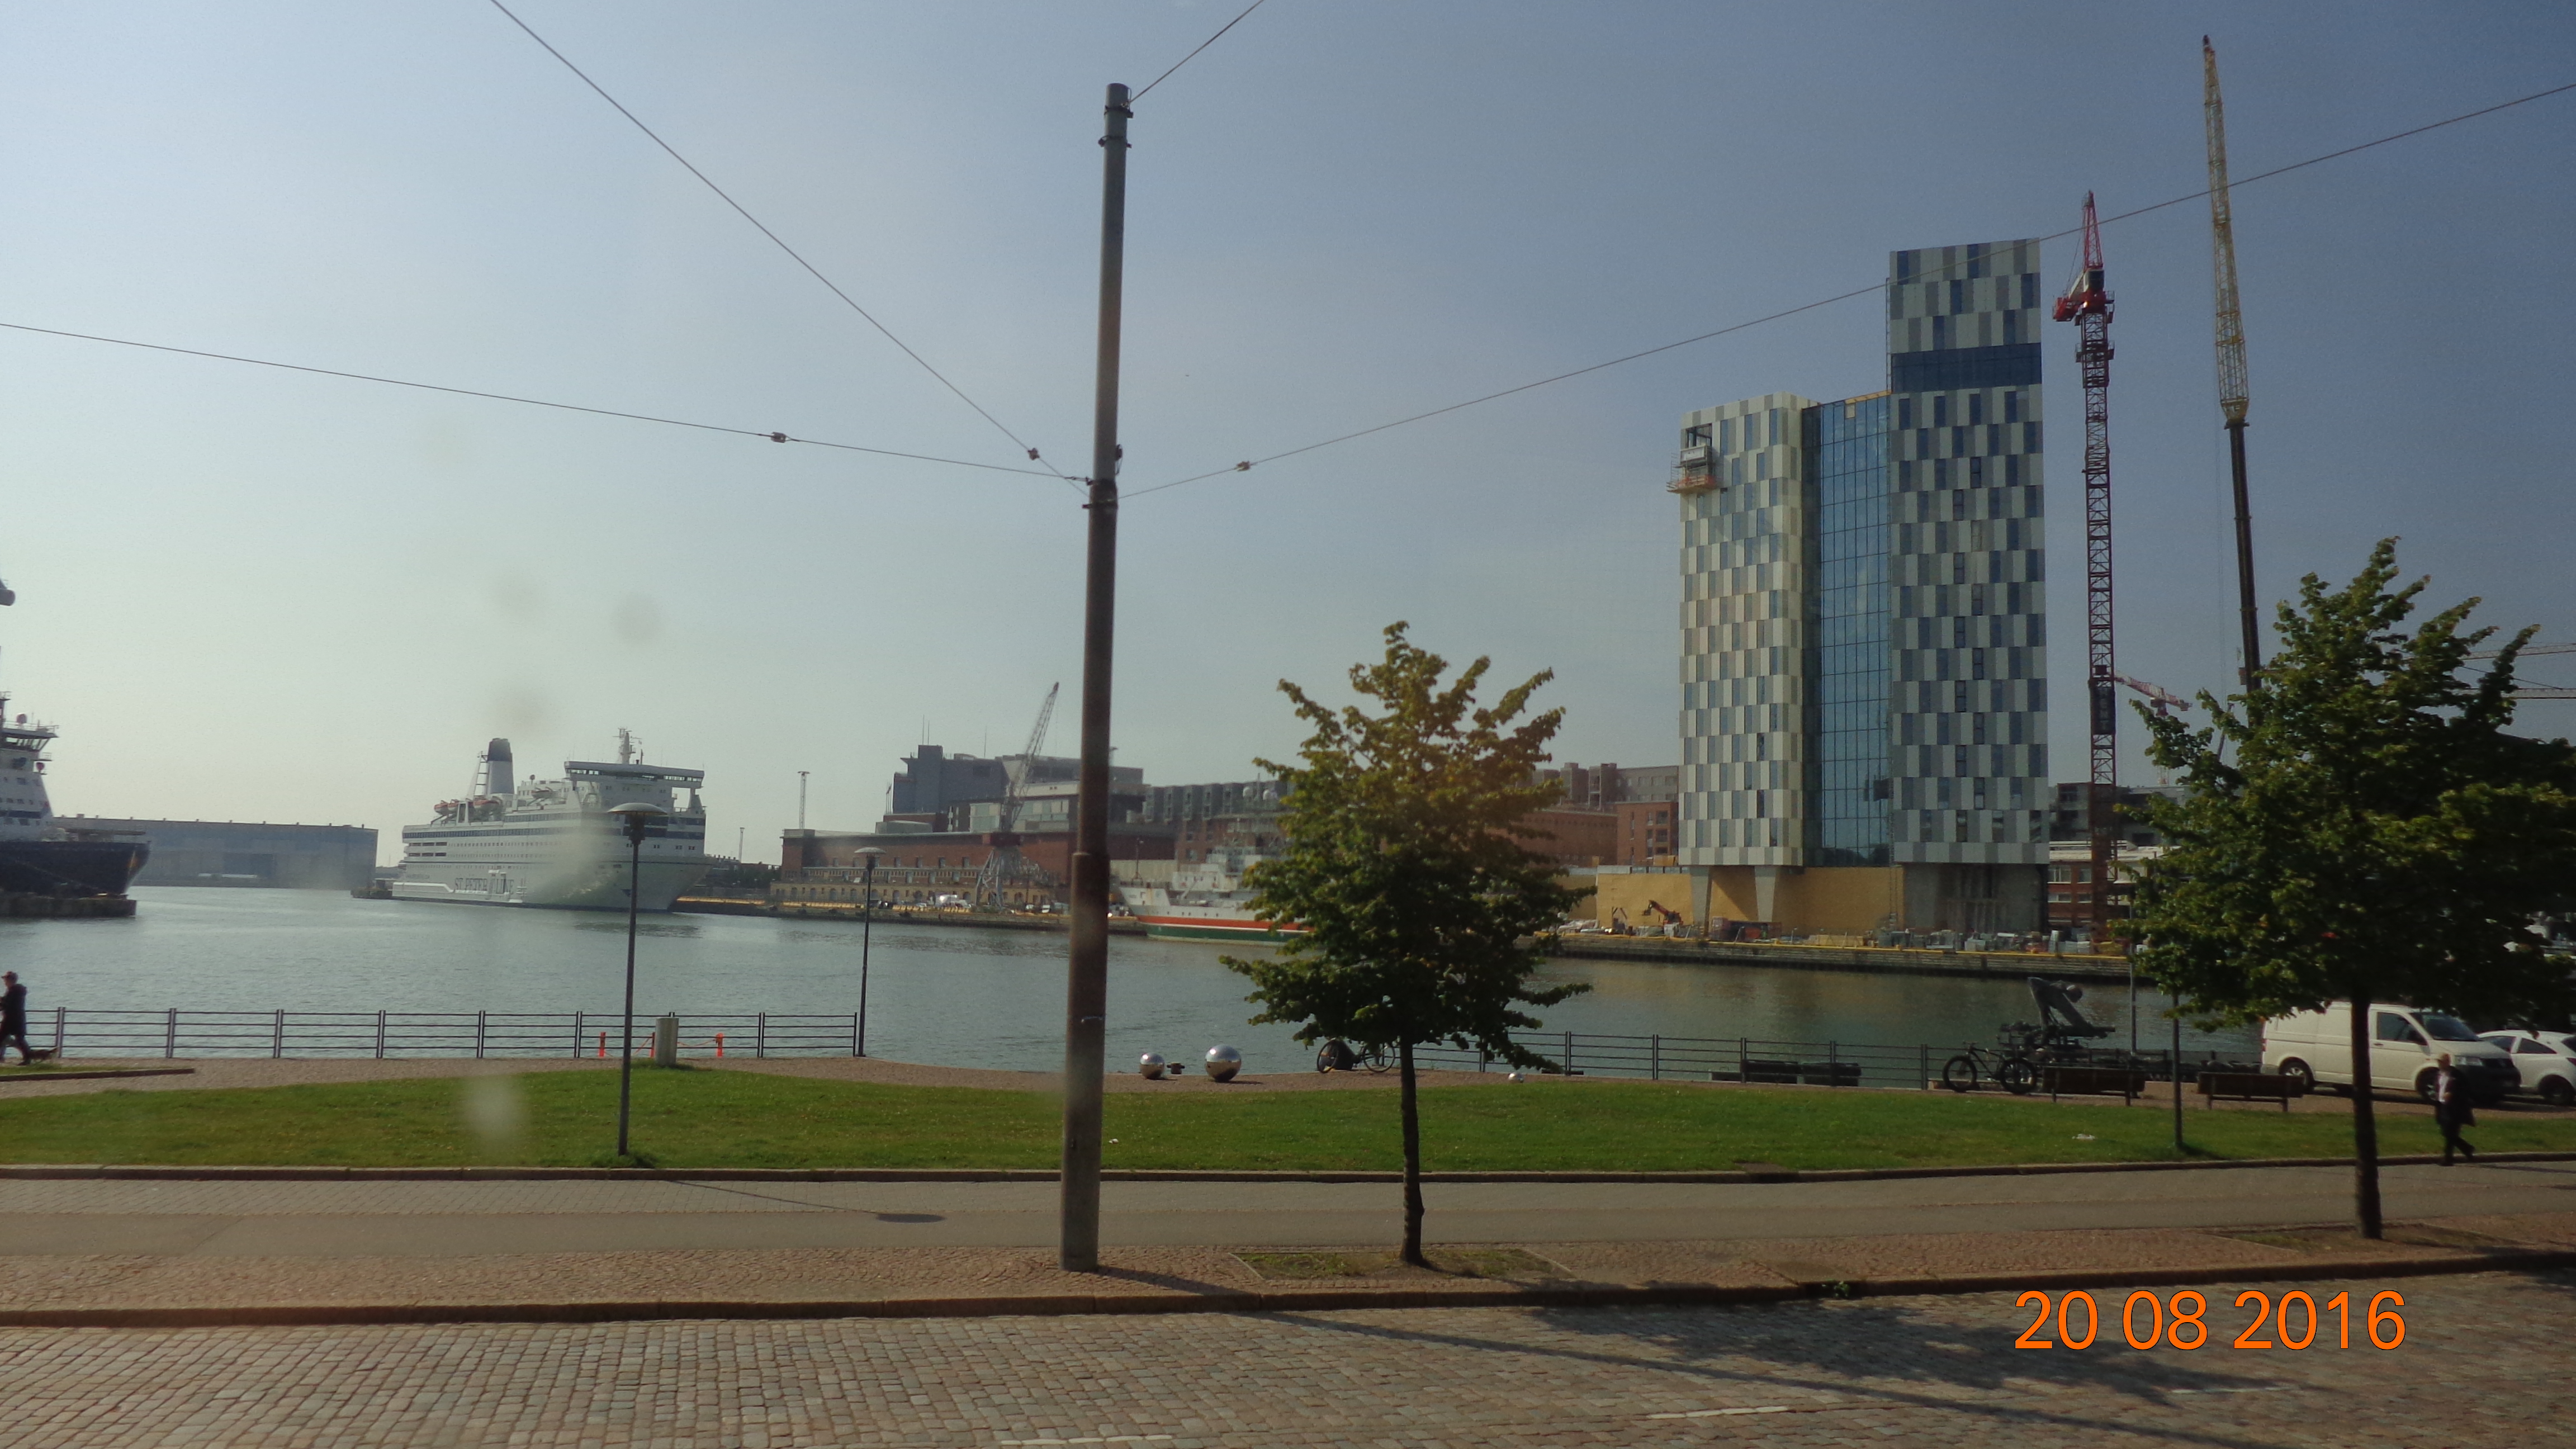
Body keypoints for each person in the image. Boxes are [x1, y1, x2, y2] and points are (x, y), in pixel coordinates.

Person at [2433, 1052, 2478, 1166]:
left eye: (2441, 1062)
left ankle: (2448, 1159)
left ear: (2447, 1062)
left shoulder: (2457, 1075)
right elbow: (2438, 1088)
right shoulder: (2439, 1074)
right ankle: (2467, 1148)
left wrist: (2452, 1094)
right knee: (2447, 1133)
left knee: (2450, 1133)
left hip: (2455, 1108)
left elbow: (2465, 1090)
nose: (2439, 1064)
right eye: (2438, 1062)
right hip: (2442, 1106)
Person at [0, 971, 30, 1066]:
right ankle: (28, 1058)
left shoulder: (14, 991)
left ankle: (28, 1058)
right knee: (19, 1039)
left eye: (6, 980)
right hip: (16, 1018)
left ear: (10, 980)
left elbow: (8, 1004)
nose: (5, 982)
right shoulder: (15, 990)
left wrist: (2, 1002)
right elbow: (7, 1003)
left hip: (12, 1019)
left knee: (18, 1039)